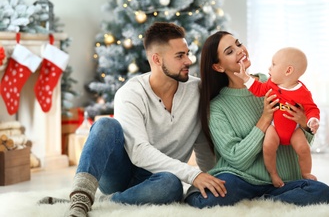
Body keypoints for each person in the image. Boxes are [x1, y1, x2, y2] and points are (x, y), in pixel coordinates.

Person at [38, 22, 226, 216]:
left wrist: (214, 178)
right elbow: (138, 152)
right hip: (120, 174)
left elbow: (203, 144)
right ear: (157, 59)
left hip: (160, 179)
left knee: (172, 185)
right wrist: (193, 175)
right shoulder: (131, 93)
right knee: (105, 124)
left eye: (187, 53)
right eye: (180, 56)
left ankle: (106, 202)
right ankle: (79, 201)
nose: (188, 60)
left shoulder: (198, 91)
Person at [185, 31, 329, 208]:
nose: (240, 50)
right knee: (212, 197)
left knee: (321, 191)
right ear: (218, 67)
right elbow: (236, 159)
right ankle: (264, 201)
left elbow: (302, 143)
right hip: (241, 179)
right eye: (229, 51)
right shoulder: (218, 106)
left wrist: (304, 123)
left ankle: (261, 202)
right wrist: (265, 119)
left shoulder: (274, 83)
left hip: (282, 181)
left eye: (238, 44)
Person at [234, 47, 319, 187]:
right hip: (274, 126)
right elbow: (258, 89)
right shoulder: (271, 84)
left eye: (273, 64)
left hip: (294, 128)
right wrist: (245, 78)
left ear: (288, 71)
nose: (269, 68)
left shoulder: (302, 92)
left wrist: (312, 120)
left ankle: (305, 173)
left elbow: (311, 108)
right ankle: (273, 174)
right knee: (268, 146)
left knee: (304, 149)